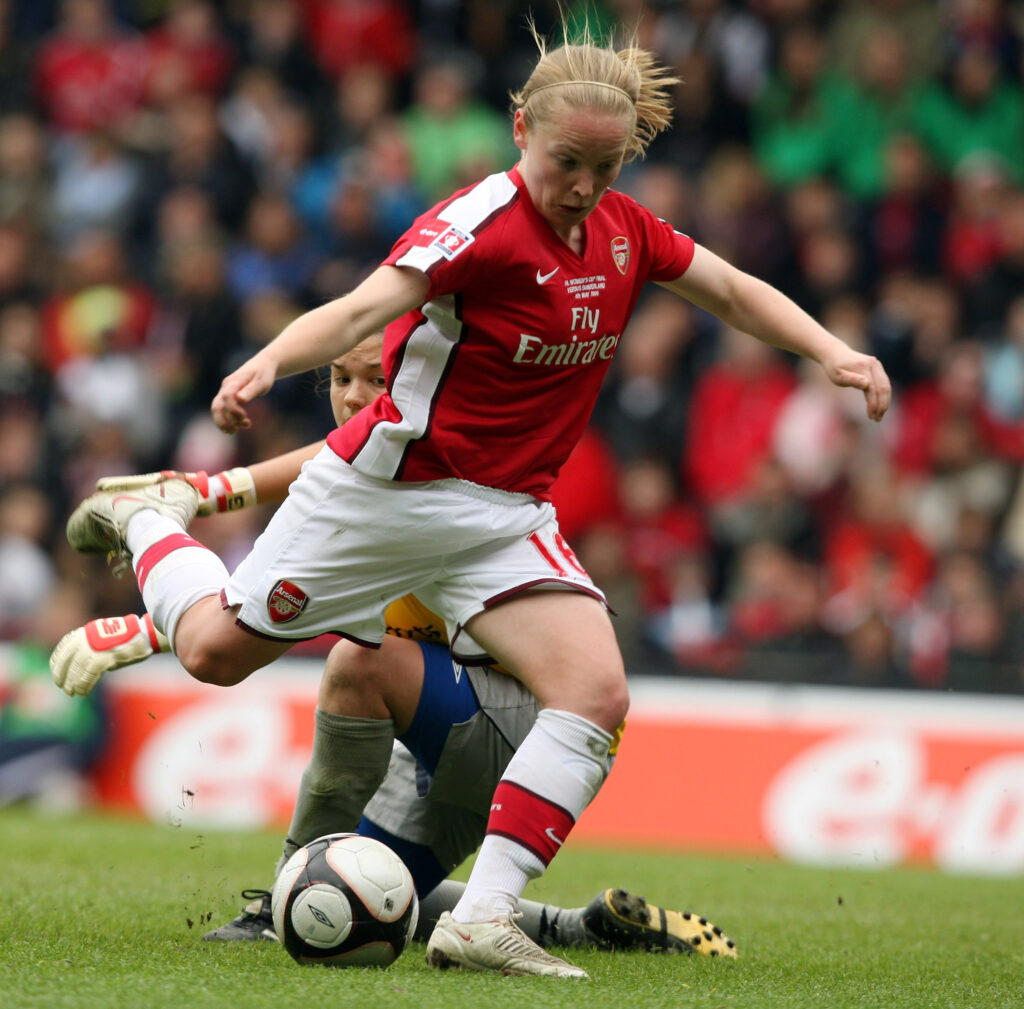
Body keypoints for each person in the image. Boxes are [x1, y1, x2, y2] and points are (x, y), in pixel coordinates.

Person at [60, 17, 890, 978]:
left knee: (596, 691)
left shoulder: (625, 232)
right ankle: (149, 515)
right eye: (567, 161)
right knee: (212, 652)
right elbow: (364, 307)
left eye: (606, 165)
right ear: (518, 129)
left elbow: (734, 290)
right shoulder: (482, 224)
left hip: (504, 514)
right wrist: (269, 363)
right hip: (390, 494)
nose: (583, 186)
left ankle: (483, 915)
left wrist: (832, 351)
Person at [52, 334, 738, 959]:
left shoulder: (418, 481)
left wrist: (158, 606)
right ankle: (574, 925)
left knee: (359, 664)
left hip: (528, 727)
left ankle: (276, 899)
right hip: (465, 729)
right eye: (340, 378)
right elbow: (289, 564)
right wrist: (204, 498)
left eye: (372, 380)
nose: (353, 397)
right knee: (362, 898)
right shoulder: (379, 474)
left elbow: (259, 616)